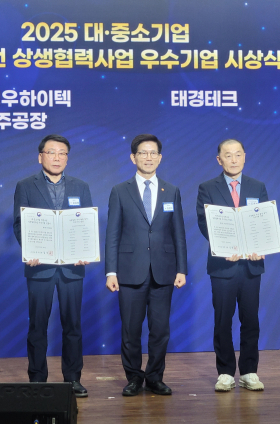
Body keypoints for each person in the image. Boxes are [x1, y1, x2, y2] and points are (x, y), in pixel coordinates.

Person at [105, 134, 188, 397]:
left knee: (160, 330)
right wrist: (111, 271)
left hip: (164, 271)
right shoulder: (120, 190)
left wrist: (181, 268)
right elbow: (112, 234)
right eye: (143, 153)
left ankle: (154, 377)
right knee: (130, 331)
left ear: (160, 158)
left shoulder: (171, 191)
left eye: (153, 153)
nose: (148, 157)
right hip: (129, 271)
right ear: (133, 158)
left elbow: (179, 233)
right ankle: (133, 378)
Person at [13, 134, 92, 398]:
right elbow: (19, 224)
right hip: (40, 267)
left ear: (67, 158)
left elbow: (85, 223)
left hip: (72, 268)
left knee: (73, 325)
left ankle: (73, 379)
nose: (57, 158)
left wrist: (84, 251)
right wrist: (30, 250)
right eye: (51, 152)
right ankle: (37, 379)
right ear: (40, 157)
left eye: (62, 153)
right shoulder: (26, 185)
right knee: (38, 326)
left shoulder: (81, 186)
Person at [196, 138, 268, 392]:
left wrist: (260, 245)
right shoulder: (207, 187)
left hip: (251, 266)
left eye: (238, 154)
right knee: (222, 320)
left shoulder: (257, 186)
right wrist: (224, 247)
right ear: (220, 160)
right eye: (228, 155)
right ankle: (225, 372)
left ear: (245, 157)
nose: (234, 159)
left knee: (251, 320)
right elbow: (204, 222)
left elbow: (263, 221)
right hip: (222, 266)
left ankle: (249, 371)